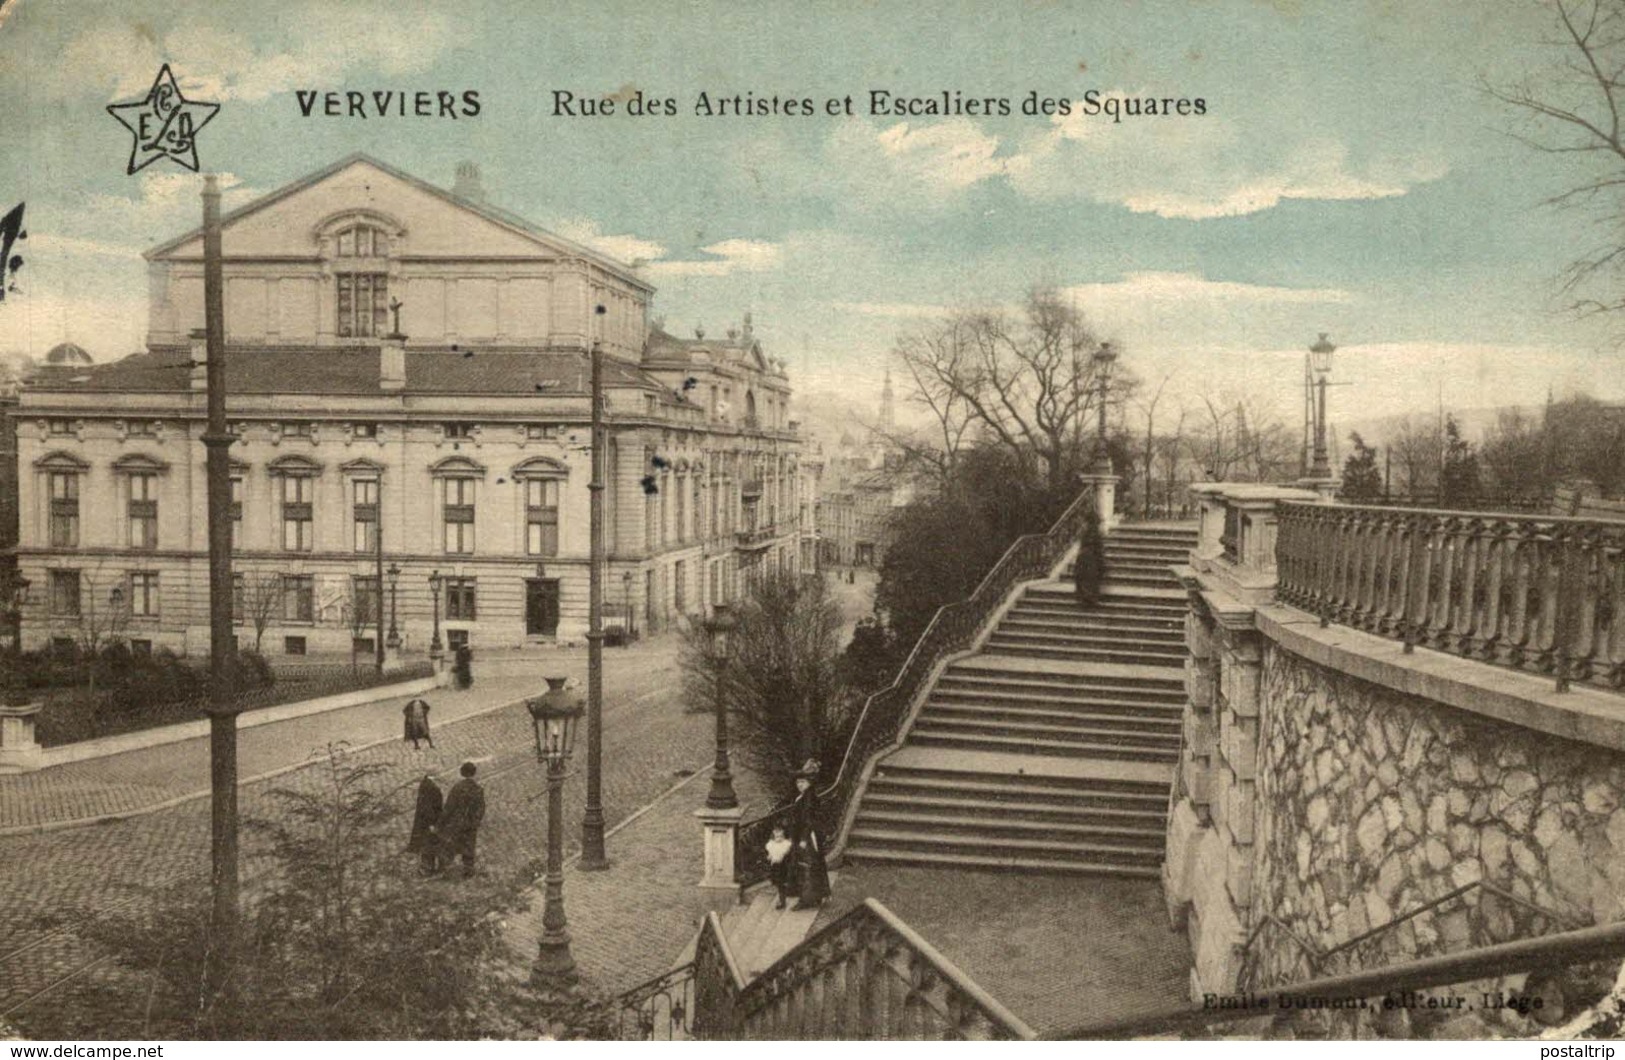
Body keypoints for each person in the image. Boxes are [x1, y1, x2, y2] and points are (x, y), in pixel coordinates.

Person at [789, 758, 830, 910]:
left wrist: (804, 838)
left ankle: (806, 899)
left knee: (806, 866)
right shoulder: (805, 796)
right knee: (813, 865)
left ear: (809, 783)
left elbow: (809, 819)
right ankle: (817, 895)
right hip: (807, 835)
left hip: (807, 836)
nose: (799, 785)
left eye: (803, 782)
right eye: (798, 782)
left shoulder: (808, 798)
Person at [438, 761, 486, 878]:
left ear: (462, 773)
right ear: (474, 773)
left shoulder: (457, 788)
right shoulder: (478, 789)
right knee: (469, 847)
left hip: (456, 823)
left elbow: (449, 807)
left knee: (449, 847)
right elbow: (481, 808)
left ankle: (446, 872)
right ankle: (468, 871)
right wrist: (475, 822)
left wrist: (440, 823)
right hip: (470, 825)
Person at [406, 773, 444, 875]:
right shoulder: (430, 787)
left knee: (428, 843)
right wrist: (431, 823)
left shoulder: (426, 785)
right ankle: (426, 869)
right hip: (429, 822)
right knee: (428, 844)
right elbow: (427, 807)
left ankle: (428, 867)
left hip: (425, 821)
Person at [765, 823, 795, 910]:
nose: (778, 838)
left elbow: (786, 855)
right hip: (776, 867)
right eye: (776, 837)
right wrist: (770, 856)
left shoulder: (786, 845)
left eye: (781, 836)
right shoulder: (771, 845)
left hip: (784, 866)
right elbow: (770, 855)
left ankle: (783, 900)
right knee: (779, 884)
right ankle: (782, 899)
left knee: (783, 883)